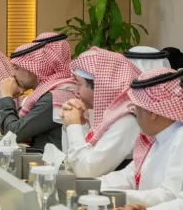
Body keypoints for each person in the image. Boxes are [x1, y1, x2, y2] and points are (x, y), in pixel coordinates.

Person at [101, 68, 183, 208]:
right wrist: (92, 186)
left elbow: (169, 196)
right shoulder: (157, 137)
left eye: (137, 107)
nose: (134, 112)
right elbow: (130, 177)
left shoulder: (180, 138)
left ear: (152, 112)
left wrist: (110, 195)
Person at [60, 47, 141, 177]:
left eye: (79, 84)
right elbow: (71, 164)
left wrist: (74, 126)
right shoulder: (109, 114)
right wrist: (73, 125)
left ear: (100, 85)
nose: (76, 91)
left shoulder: (127, 120)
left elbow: (86, 172)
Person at [0, 33, 76, 150]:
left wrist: (6, 97)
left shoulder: (54, 97)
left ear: (37, 67)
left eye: (17, 68)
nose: (13, 74)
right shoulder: (49, 93)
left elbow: (12, 134)